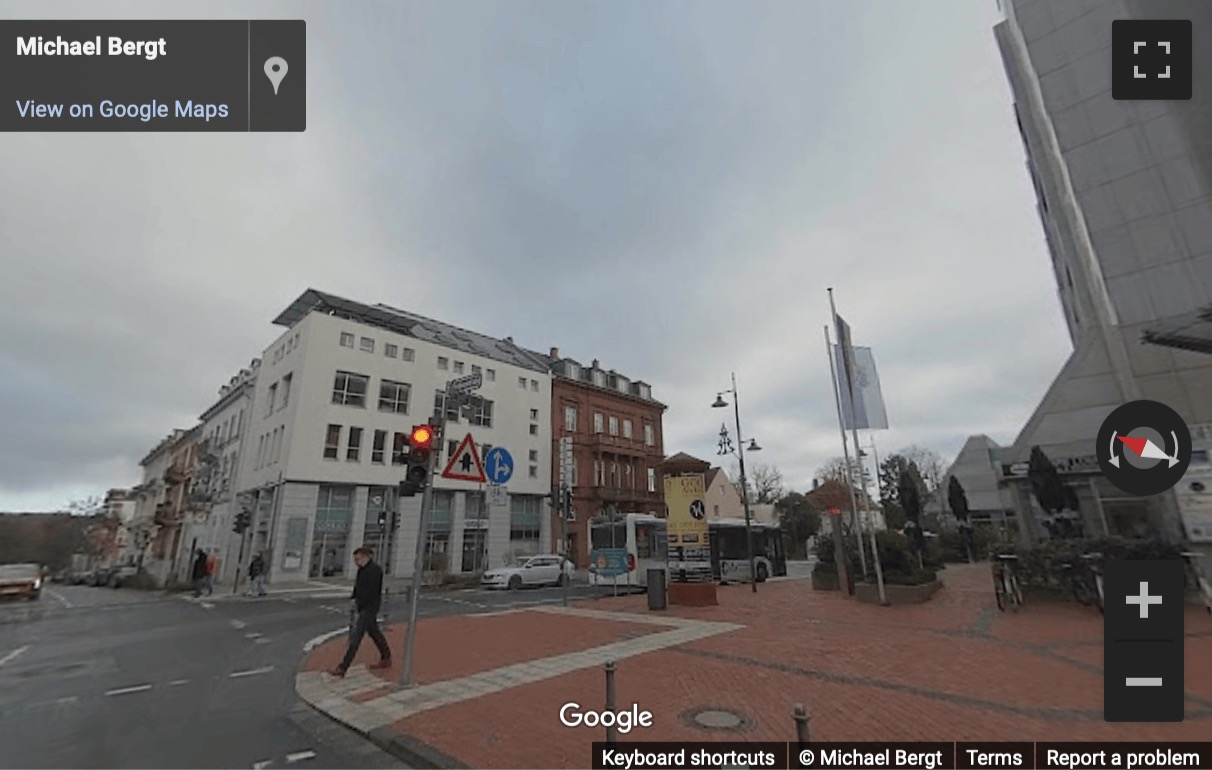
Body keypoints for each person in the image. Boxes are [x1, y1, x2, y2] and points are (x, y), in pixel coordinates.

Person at [330, 546, 391, 677]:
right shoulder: (361, 570)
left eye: (358, 559)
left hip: (369, 608)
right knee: (374, 633)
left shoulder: (375, 570)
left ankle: (343, 667)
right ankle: (386, 657)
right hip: (363, 607)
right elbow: (358, 586)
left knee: (356, 638)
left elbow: (372, 591)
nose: (356, 562)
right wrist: (354, 597)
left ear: (365, 557)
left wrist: (361, 602)